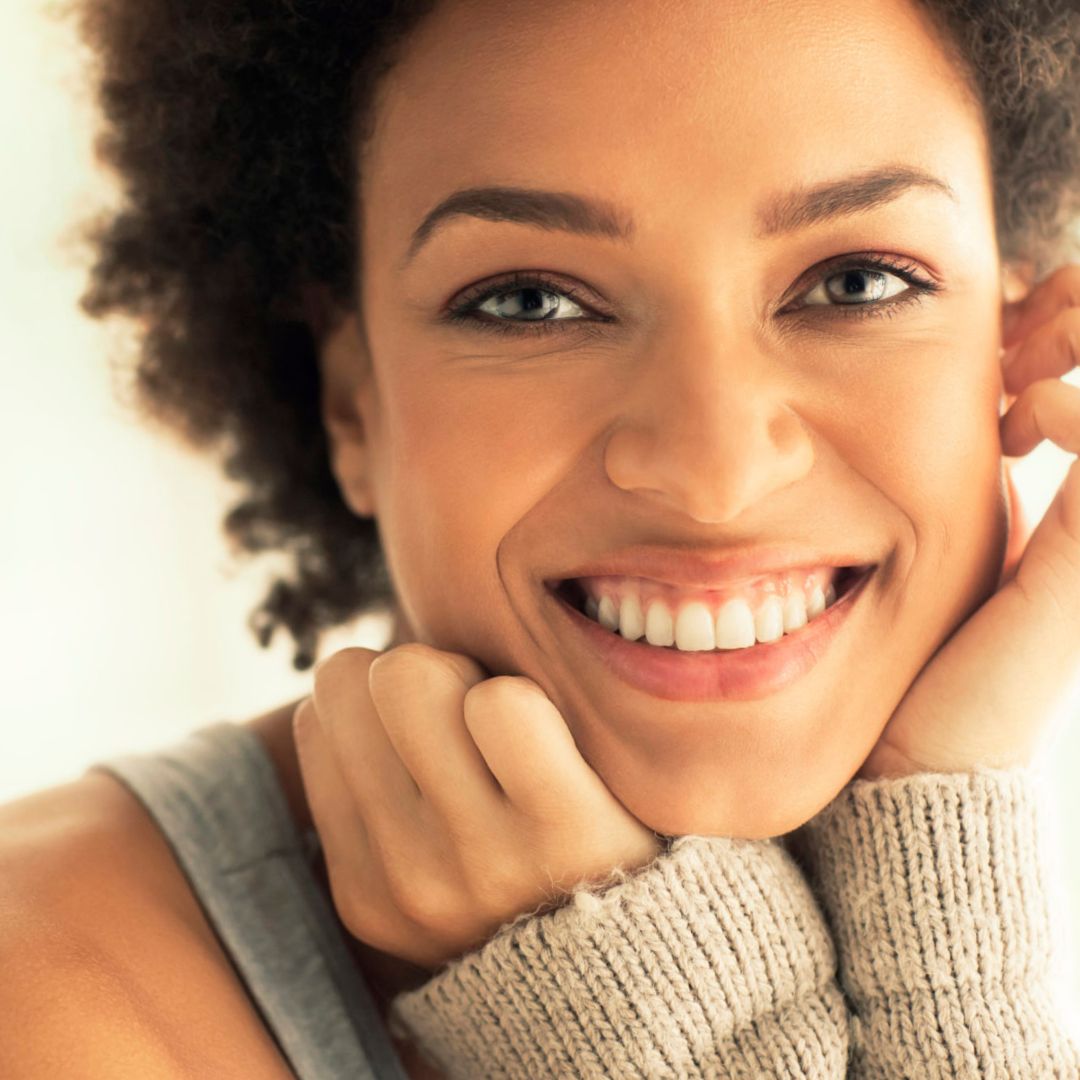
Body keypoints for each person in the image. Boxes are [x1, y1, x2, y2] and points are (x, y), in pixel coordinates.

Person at [3, 0, 1080, 1076]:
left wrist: (945, 949)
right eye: (527, 302)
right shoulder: (49, 993)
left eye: (857, 283)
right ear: (353, 404)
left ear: (1015, 346)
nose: (715, 473)